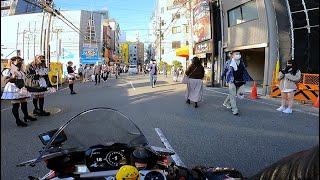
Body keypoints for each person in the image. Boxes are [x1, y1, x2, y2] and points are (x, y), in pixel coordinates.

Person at [1, 56, 37, 127]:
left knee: (24, 102)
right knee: (16, 104)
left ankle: (26, 116)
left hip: (21, 87)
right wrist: (12, 78)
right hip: (14, 88)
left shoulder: (20, 70)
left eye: (21, 60)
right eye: (18, 60)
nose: (20, 62)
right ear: (13, 62)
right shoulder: (9, 70)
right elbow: (4, 80)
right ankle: (18, 121)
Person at [221, 51, 253, 115]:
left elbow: (244, 71)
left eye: (239, 54)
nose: (238, 55)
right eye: (236, 54)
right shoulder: (228, 62)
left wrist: (247, 79)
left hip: (240, 81)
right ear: (232, 55)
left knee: (237, 93)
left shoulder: (242, 62)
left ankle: (226, 102)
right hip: (232, 81)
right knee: (233, 96)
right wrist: (222, 77)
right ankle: (235, 110)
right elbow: (225, 71)